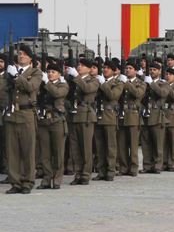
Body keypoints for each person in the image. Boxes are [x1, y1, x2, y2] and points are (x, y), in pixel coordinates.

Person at [4, 45, 43, 194]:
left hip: (26, 114)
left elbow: (30, 87)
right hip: (12, 114)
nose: (21, 56)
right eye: (20, 54)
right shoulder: (10, 71)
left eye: (24, 54)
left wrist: (16, 76)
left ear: (30, 58)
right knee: (12, 151)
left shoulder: (35, 72)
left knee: (28, 150)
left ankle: (27, 181)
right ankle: (15, 182)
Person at [67, 58, 100, 186]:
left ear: (89, 68)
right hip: (74, 116)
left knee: (86, 148)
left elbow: (87, 89)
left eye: (82, 65)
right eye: (78, 65)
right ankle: (78, 173)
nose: (79, 67)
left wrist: (76, 77)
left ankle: (86, 174)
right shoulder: (74, 80)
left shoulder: (93, 80)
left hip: (86, 116)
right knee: (75, 148)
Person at [36, 61, 69, 189]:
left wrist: (46, 82)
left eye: (53, 72)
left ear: (59, 74)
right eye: (48, 72)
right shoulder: (43, 84)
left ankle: (57, 179)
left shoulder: (63, 85)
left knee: (58, 152)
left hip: (57, 121)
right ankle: (46, 179)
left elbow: (57, 94)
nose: (50, 74)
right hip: (44, 121)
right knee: (45, 153)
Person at [94, 59, 123, 181]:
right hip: (98, 116)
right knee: (99, 146)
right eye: (104, 67)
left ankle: (111, 170)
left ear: (114, 71)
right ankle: (101, 171)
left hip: (110, 116)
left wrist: (103, 84)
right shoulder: (97, 81)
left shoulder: (118, 83)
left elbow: (112, 96)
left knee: (111, 146)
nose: (105, 70)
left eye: (108, 68)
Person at [117, 59, 147, 177]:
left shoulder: (141, 83)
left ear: (135, 71)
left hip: (133, 115)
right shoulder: (120, 81)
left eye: (130, 68)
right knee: (122, 144)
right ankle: (123, 167)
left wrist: (127, 83)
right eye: (126, 68)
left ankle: (134, 167)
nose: (128, 70)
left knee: (133, 144)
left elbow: (138, 94)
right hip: (121, 115)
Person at [140, 61, 169, 173]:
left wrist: (151, 83)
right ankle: (147, 165)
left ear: (159, 71)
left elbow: (162, 93)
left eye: (154, 70)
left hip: (156, 116)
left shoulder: (163, 83)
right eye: (151, 69)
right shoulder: (144, 82)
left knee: (158, 143)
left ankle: (157, 165)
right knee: (145, 143)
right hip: (145, 115)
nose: (152, 71)